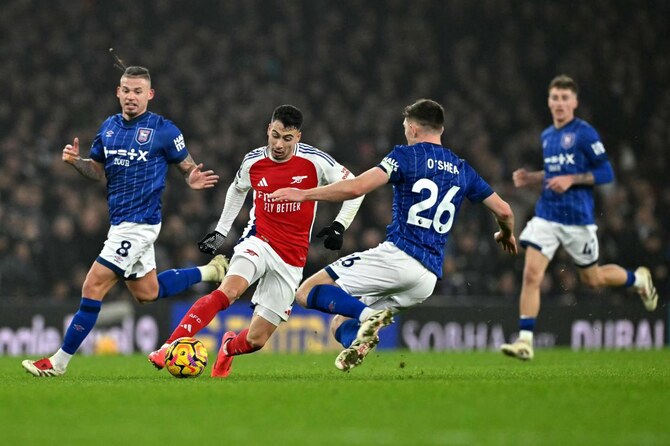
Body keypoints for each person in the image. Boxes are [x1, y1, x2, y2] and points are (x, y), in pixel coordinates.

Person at [271, 98, 518, 371]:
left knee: (306, 291)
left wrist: (304, 194)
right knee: (340, 322)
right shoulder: (462, 168)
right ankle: (359, 341)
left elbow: (356, 188)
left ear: (413, 128)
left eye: (404, 126)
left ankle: (369, 317)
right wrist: (506, 235)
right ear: (440, 129)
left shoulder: (405, 156)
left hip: (399, 256)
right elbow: (505, 211)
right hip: (427, 279)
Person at [22, 66, 227, 377]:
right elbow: (97, 170)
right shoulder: (108, 128)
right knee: (147, 291)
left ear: (149, 94)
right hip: (119, 223)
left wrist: (191, 176)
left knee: (92, 284)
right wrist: (77, 162)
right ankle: (211, 270)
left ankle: (57, 362)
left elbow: (187, 166)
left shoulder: (164, 130)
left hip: (140, 223)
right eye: (126, 91)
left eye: (138, 91)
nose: (131, 97)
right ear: (118, 92)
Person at [147, 104, 364, 378]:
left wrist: (339, 226)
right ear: (268, 130)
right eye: (275, 135)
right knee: (230, 291)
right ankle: (167, 347)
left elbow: (355, 187)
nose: (279, 144)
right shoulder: (253, 161)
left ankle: (227, 348)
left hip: (292, 258)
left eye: (287, 138)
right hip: (258, 240)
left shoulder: (315, 161)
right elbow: (237, 189)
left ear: (298, 137)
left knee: (255, 340)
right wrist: (221, 231)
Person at [500, 74, 658, 361]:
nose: (559, 103)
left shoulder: (585, 133)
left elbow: (606, 173)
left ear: (574, 102)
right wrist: (532, 178)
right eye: (555, 98)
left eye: (564, 98)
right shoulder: (547, 136)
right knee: (532, 272)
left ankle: (639, 279)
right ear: (549, 101)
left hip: (577, 221)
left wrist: (573, 178)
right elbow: (554, 174)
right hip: (547, 215)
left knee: (593, 279)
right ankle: (525, 340)